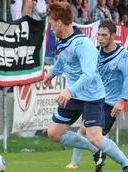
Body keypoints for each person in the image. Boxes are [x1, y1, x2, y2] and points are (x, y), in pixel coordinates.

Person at [43, 2, 128, 172]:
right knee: (53, 133)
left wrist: (69, 91)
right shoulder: (66, 41)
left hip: (91, 97)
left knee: (95, 137)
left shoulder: (83, 45)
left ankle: (126, 164)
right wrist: (52, 72)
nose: (50, 28)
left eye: (51, 23)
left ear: (59, 22)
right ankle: (96, 152)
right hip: (75, 96)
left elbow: (89, 74)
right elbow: (64, 59)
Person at [65, 20, 128, 171]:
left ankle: (124, 163)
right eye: (98, 34)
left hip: (111, 103)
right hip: (95, 98)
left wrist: (122, 101)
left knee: (93, 135)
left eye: (104, 35)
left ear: (113, 36)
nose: (100, 38)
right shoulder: (95, 53)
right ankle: (78, 161)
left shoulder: (123, 56)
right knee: (86, 131)